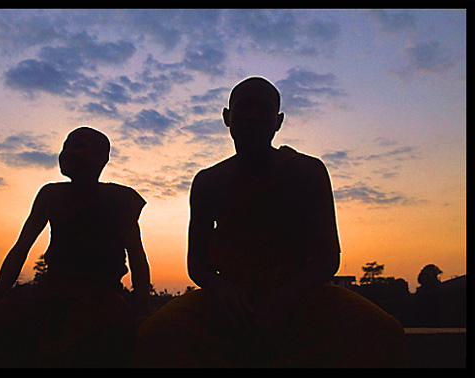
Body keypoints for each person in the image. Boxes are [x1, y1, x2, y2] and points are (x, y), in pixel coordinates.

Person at [128, 77, 409, 368]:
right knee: (157, 334)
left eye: (263, 109)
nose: (252, 116)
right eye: (243, 108)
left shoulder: (307, 171)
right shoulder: (208, 181)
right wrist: (221, 288)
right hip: (231, 300)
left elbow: (327, 257)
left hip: (301, 296)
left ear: (278, 121)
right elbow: (197, 262)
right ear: (227, 118)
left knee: (381, 329)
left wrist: (284, 298)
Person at [0, 127, 150, 368]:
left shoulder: (121, 199)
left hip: (100, 298)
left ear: (101, 159)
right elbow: (21, 249)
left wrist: (142, 313)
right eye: (65, 146)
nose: (67, 152)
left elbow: (137, 258)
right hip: (49, 292)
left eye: (78, 146)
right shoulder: (51, 195)